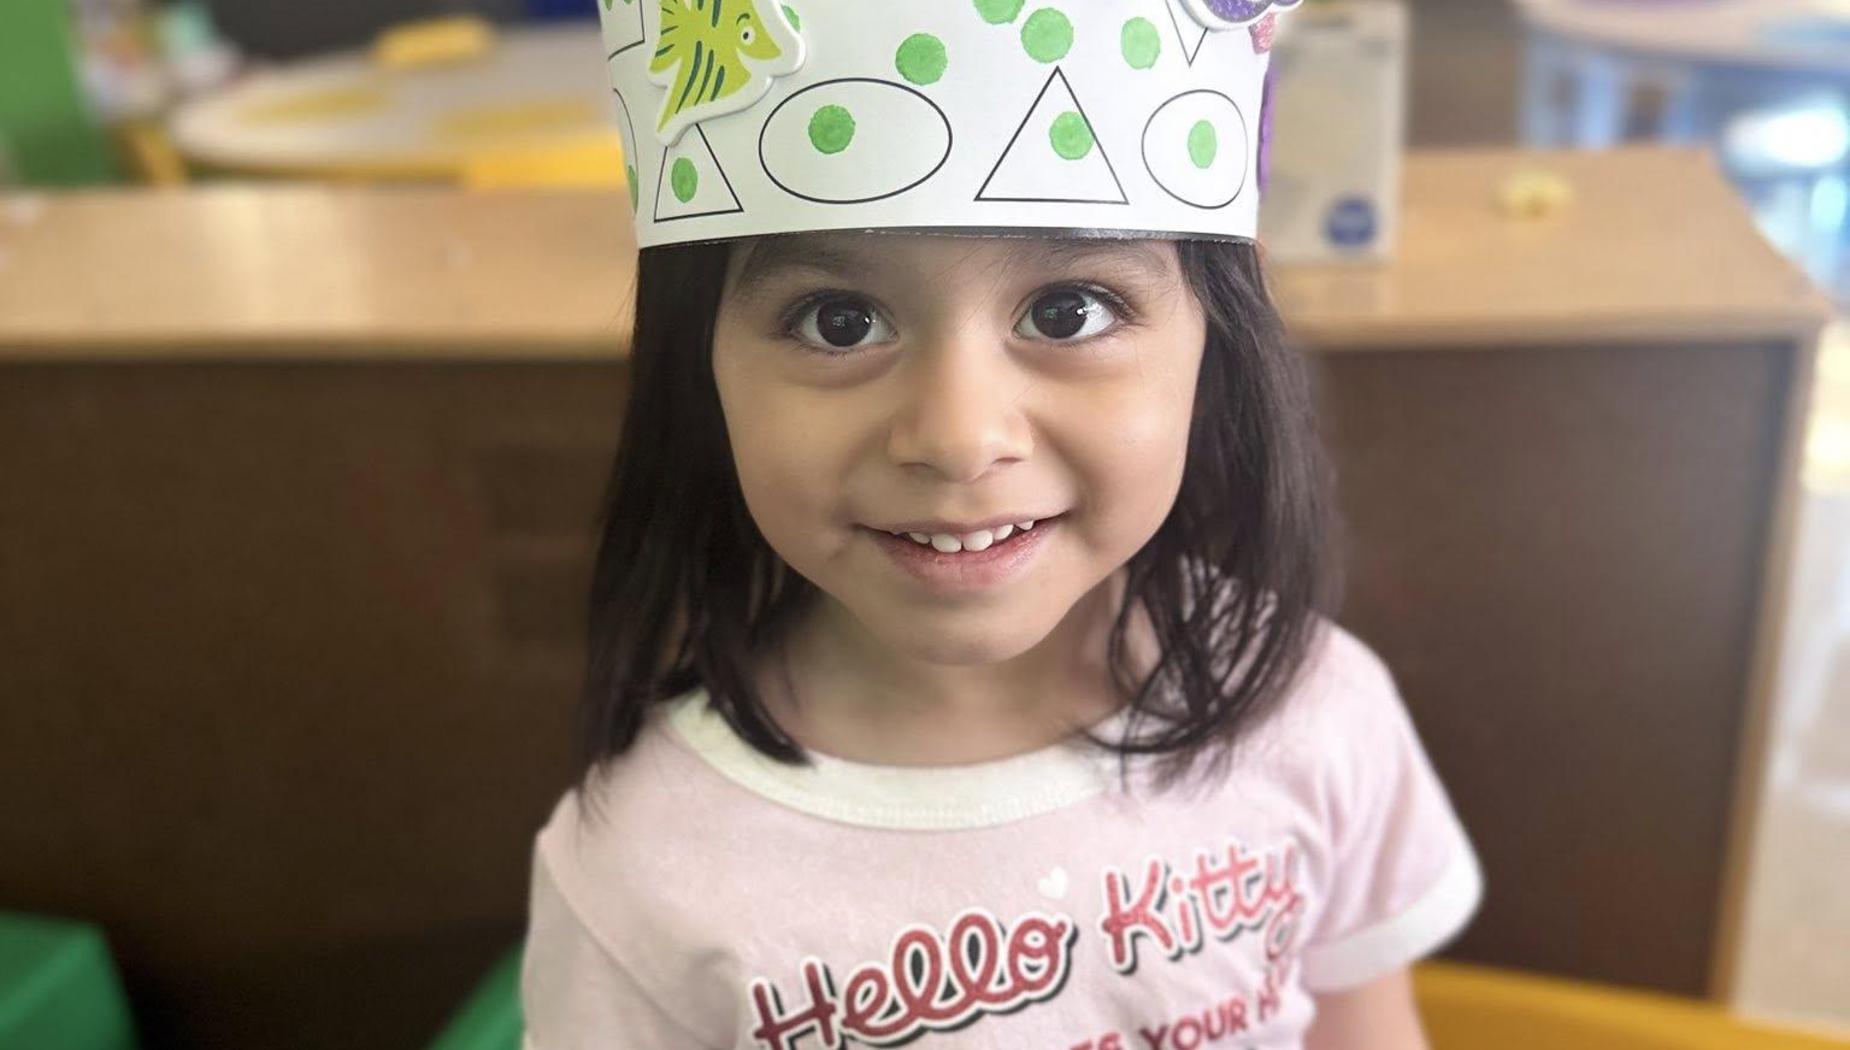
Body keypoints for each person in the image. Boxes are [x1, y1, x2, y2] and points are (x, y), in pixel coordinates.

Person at [521, 1, 1483, 1046]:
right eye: (839, 320)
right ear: (695, 371)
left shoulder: (1313, 713)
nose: (958, 436)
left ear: (1217, 338)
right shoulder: (641, 874)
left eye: (1067, 310)